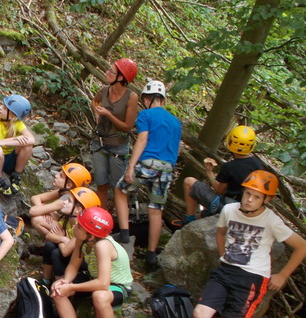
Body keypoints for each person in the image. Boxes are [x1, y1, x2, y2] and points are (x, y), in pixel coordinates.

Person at [191, 170, 306, 318]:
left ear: (266, 199)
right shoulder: (229, 210)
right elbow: (221, 232)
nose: (249, 200)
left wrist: (282, 275)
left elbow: (302, 246)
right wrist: (223, 255)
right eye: (247, 194)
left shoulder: (271, 220)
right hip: (226, 270)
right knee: (200, 314)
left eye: (256, 197)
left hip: (252, 278)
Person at [51, 207, 132, 318]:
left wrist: (72, 287)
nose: (74, 227)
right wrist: (65, 281)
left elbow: (103, 283)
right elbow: (74, 264)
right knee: (59, 291)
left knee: (100, 296)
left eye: (79, 226)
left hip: (117, 285)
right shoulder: (82, 240)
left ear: (91, 235)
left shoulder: (102, 245)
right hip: (94, 278)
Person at [113, 80, 181, 268]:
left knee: (120, 190)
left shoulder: (145, 115)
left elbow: (142, 140)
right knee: (156, 210)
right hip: (167, 168)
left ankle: (125, 232)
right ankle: (151, 254)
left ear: (148, 98)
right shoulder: (175, 122)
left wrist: (131, 166)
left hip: (147, 163)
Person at [178, 125, 265, 227]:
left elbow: (219, 190)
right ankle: (198, 218)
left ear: (230, 142)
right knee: (204, 212)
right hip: (246, 209)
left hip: (226, 206)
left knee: (189, 182)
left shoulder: (229, 167)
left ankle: (189, 219)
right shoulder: (259, 165)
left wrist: (209, 172)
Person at [90, 58, 138, 210]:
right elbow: (94, 102)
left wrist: (108, 115)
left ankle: (119, 223)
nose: (107, 72)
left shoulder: (131, 97)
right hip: (100, 143)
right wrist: (97, 113)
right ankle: (99, 219)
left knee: (117, 188)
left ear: (121, 77)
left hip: (118, 147)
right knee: (101, 184)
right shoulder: (104, 90)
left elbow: (127, 126)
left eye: (111, 71)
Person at [32, 186, 100, 285]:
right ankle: (46, 280)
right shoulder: (66, 219)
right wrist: (62, 238)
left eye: (68, 201)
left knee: (56, 253)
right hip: (68, 251)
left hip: (81, 262)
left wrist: (60, 238)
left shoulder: (81, 228)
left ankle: (59, 283)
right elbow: (49, 236)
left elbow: (65, 252)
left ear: (78, 210)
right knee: (49, 245)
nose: (64, 202)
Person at [0, 95, 35, 196]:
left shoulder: (17, 123)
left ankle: (16, 175)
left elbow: (32, 140)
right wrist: (3, 142)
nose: (0, 108)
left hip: (9, 160)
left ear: (12, 116)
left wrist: (2, 142)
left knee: (28, 146)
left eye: (4, 108)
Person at [30, 162, 92, 239]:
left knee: (37, 220)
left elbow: (33, 211)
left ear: (69, 185)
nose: (56, 176)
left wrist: (43, 210)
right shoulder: (64, 191)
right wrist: (44, 210)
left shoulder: (66, 199)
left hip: (72, 232)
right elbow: (35, 197)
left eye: (61, 176)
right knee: (47, 210)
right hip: (65, 222)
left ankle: (54, 242)